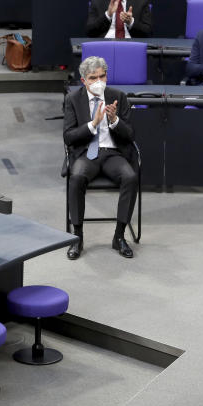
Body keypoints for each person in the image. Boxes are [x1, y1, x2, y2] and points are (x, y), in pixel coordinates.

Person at [63, 56, 137, 261]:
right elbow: (68, 136)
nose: (98, 81)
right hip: (87, 154)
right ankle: (77, 236)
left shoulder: (118, 97)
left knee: (130, 177)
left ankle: (119, 236)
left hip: (113, 153)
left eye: (102, 76)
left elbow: (130, 135)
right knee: (76, 177)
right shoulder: (73, 99)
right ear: (83, 80)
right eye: (92, 77)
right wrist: (93, 124)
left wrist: (114, 121)